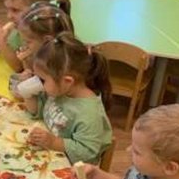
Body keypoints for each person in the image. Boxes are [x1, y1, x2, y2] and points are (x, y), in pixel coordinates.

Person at [21, 33, 112, 165]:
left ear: (67, 81)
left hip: (74, 169)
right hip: (49, 155)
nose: (39, 83)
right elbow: (39, 111)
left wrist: (54, 142)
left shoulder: (89, 113)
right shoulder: (60, 90)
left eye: (42, 79)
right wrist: (27, 92)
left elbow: (87, 153)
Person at [0, 0, 66, 72]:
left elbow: (18, 67)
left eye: (15, 10)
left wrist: (1, 41)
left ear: (36, 10)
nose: (9, 16)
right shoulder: (18, 27)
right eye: (8, 9)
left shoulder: (37, 36)